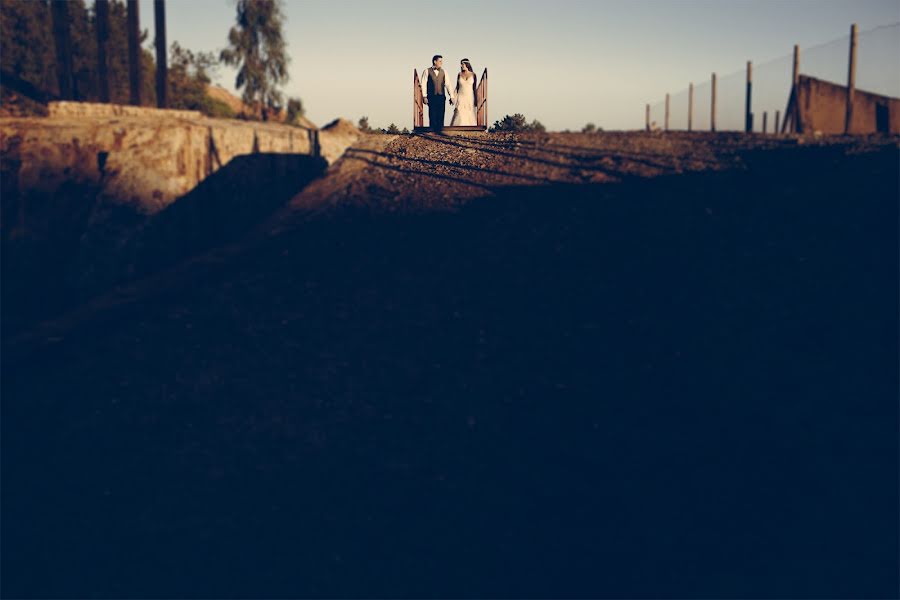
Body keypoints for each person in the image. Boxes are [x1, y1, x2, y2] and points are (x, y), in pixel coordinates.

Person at [420, 55, 455, 133]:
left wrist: (451, 96)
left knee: (441, 113)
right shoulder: (427, 71)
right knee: (432, 113)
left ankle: (440, 130)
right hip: (431, 96)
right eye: (440, 61)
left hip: (441, 96)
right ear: (435, 61)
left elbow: (448, 84)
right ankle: (432, 130)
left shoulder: (444, 72)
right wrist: (424, 96)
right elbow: (423, 84)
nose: (441, 63)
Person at [450, 59, 478, 126]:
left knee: (469, 112)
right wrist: (452, 97)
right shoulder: (459, 74)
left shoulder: (473, 75)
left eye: (462, 64)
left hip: (470, 96)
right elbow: (457, 87)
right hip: (461, 96)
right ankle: (459, 127)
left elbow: (474, 88)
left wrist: (476, 99)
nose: (461, 66)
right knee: (460, 111)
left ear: (466, 64)